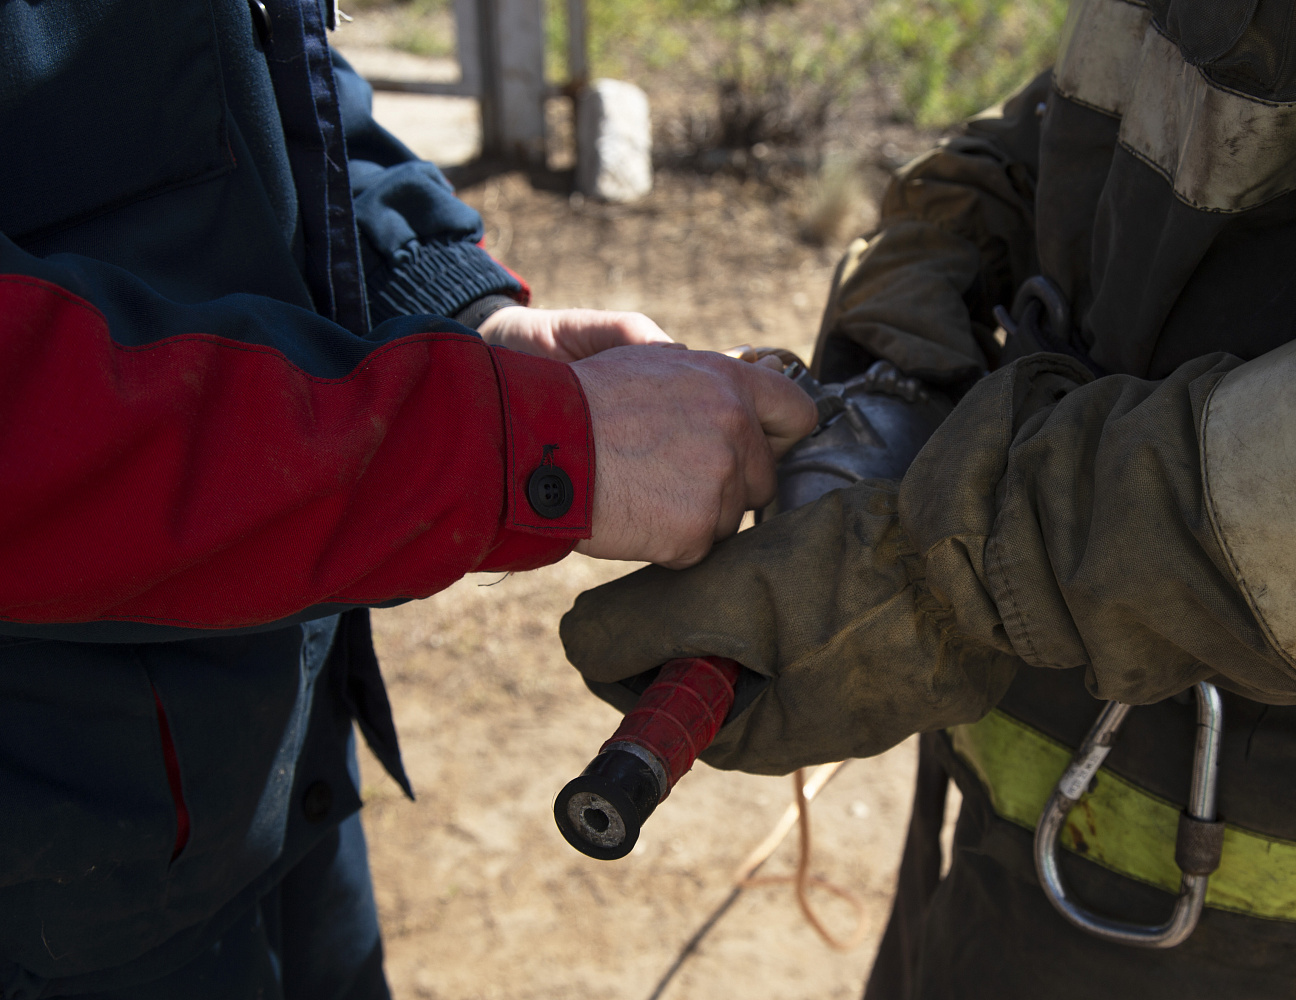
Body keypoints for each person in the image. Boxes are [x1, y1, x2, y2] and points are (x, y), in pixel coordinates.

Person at [561, 1, 1296, 996]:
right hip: (1044, 749)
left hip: (1250, 842)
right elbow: (1173, 79)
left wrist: (959, 571)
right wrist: (962, 219)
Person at [0, 1, 814, 997]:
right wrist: (516, 441)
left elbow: (259, 81)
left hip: (271, 758)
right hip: (47, 857)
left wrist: (449, 299)